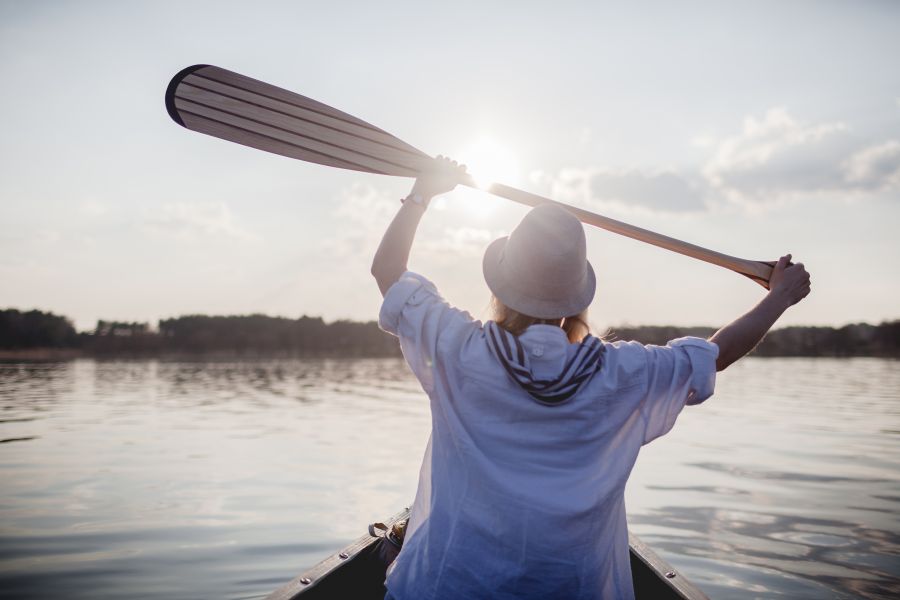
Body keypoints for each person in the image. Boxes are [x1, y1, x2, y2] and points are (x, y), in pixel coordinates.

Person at [371, 157, 811, 600]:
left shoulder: (457, 348)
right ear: (576, 298)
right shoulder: (622, 373)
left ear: (500, 287)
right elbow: (716, 354)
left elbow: (388, 272)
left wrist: (422, 192)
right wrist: (781, 297)